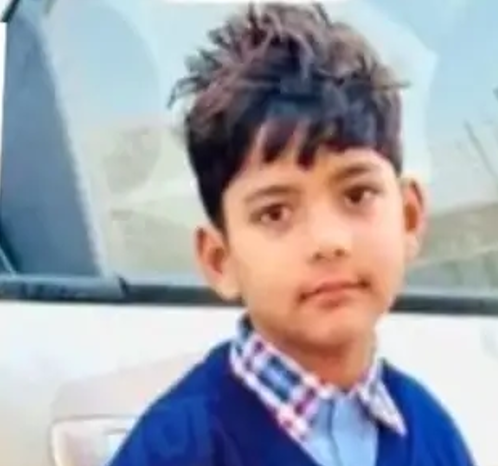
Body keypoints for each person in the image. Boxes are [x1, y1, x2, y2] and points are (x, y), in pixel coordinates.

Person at [109, 3, 475, 466]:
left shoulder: (431, 433)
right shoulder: (178, 449)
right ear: (220, 260)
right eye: (275, 213)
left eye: (357, 194)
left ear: (408, 215)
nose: (328, 241)